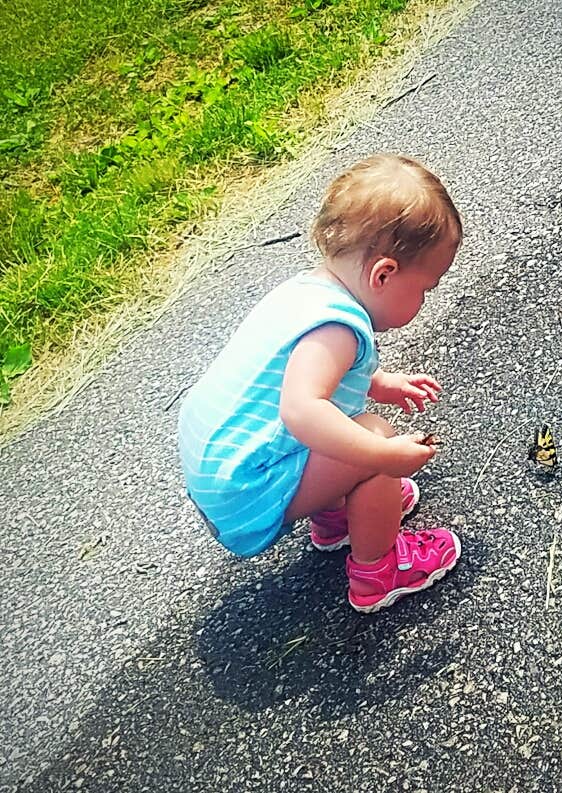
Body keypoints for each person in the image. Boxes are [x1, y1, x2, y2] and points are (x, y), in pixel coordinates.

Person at [178, 153, 462, 612]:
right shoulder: (337, 328)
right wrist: (385, 458)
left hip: (224, 473)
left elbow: (310, 377)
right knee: (373, 438)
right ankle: (378, 572)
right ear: (384, 273)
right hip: (247, 490)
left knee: (350, 427)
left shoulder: (307, 293)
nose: (424, 300)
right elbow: (302, 410)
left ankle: (338, 517)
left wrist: (378, 383)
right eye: (425, 289)